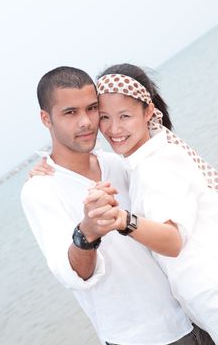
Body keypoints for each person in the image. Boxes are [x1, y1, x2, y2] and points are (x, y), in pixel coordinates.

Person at [21, 66, 213, 345]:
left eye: (91, 108)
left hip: (194, 316)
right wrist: (86, 234)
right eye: (70, 113)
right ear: (45, 118)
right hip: (141, 338)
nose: (86, 122)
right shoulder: (40, 190)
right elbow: (73, 275)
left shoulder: (118, 163)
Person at [86, 63, 218, 342]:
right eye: (105, 118)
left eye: (124, 116)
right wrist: (49, 166)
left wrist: (123, 220)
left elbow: (172, 241)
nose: (114, 128)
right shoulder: (149, 156)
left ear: (147, 111)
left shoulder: (156, 165)